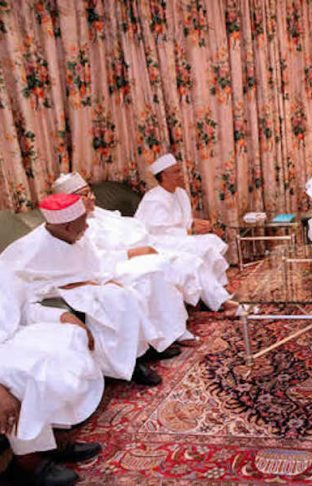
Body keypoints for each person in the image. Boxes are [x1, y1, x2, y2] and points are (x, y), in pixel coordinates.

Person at [0, 194, 164, 386]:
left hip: (86, 284)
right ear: (67, 227)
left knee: (127, 291)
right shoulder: (29, 248)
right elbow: (20, 288)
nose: (86, 227)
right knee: (116, 299)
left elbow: (94, 264)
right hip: (59, 292)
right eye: (82, 223)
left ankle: (143, 349)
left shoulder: (75, 234)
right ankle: (130, 365)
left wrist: (103, 280)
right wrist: (71, 286)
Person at [53, 172, 219, 321]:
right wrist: (136, 252)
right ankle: (175, 327)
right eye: (84, 195)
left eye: (90, 192)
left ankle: (217, 302)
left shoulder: (97, 212)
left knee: (188, 259)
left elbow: (132, 228)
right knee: (161, 267)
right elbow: (98, 257)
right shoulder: (73, 227)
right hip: (118, 263)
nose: (92, 197)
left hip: (142, 246)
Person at [0, 264, 104, 485]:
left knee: (68, 340)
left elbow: (24, 309)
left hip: (8, 339)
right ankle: (26, 463)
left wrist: (63, 316)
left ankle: (49, 441)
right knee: (23, 372)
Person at [134, 153, 234, 312]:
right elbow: (158, 230)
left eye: (179, 170)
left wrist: (194, 223)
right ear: (164, 176)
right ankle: (219, 299)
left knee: (212, 240)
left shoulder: (180, 193)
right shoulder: (154, 199)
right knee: (201, 249)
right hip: (159, 241)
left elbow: (180, 220)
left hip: (177, 236)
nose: (181, 175)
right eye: (176, 172)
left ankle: (220, 286)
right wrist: (190, 230)